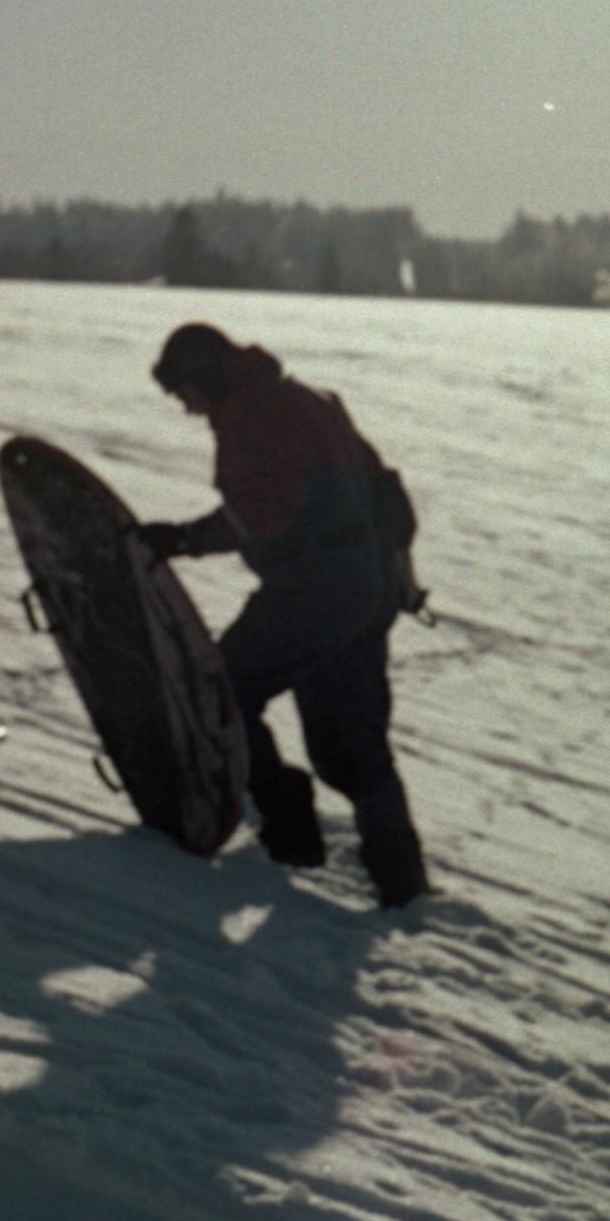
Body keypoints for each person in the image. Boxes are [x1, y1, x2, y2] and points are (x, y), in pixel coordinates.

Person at [137, 323, 427, 906]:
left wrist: (180, 539)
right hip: (365, 589)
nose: (187, 410)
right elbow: (388, 493)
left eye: (183, 393)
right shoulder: (310, 400)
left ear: (206, 375)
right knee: (353, 745)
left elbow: (261, 515)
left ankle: (288, 824)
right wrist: (396, 576)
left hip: (313, 591)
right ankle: (402, 878)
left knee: (224, 690)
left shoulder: (253, 417)